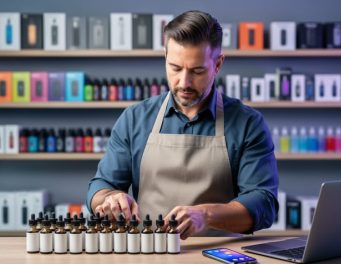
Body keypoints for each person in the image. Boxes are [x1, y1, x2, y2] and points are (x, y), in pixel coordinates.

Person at [87, 10, 279, 239]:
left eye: (197, 71)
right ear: (165, 58)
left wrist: (206, 215)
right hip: (149, 256)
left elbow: (264, 202)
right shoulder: (135, 119)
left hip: (222, 260)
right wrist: (109, 197)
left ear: (218, 64)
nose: (184, 82)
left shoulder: (248, 124)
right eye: (175, 68)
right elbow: (100, 186)